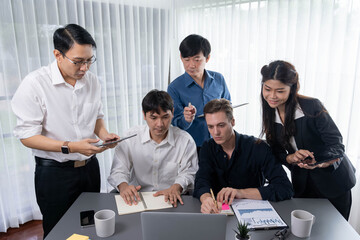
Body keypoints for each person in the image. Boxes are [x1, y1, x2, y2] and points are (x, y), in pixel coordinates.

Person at [11, 24, 119, 237]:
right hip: (54, 174)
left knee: (88, 226)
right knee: (58, 231)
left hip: (89, 170)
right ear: (57, 55)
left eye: (89, 60)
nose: (85, 68)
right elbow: (27, 136)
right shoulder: (35, 84)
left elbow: (96, 116)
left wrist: (104, 135)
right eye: (78, 61)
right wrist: (70, 147)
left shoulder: (93, 82)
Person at [260, 60, 356, 220]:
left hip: (333, 182)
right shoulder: (270, 111)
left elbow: (336, 144)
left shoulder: (311, 106)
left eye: (280, 91)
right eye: (267, 89)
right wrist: (289, 157)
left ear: (292, 89)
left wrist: (319, 160)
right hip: (303, 184)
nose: (272, 96)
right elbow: (275, 150)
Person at [193, 99, 293, 214]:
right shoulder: (207, 147)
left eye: (221, 125)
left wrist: (240, 193)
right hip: (217, 212)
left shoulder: (258, 147)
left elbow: (284, 188)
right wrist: (206, 199)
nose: (215, 132)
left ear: (233, 121)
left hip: (252, 213)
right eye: (210, 127)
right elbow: (201, 181)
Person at [108, 90, 198, 207]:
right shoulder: (130, 138)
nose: (160, 124)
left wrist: (176, 187)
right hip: (138, 198)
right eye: (153, 118)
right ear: (144, 115)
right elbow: (118, 170)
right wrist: (124, 186)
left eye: (165, 117)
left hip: (172, 198)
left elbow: (189, 173)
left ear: (173, 113)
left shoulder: (186, 141)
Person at [167, 34, 231, 151]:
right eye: (186, 60)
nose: (191, 65)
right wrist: (186, 119)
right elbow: (176, 122)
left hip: (221, 142)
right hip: (192, 146)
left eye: (197, 60)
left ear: (207, 58)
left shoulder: (218, 79)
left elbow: (229, 106)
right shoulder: (174, 88)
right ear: (181, 57)